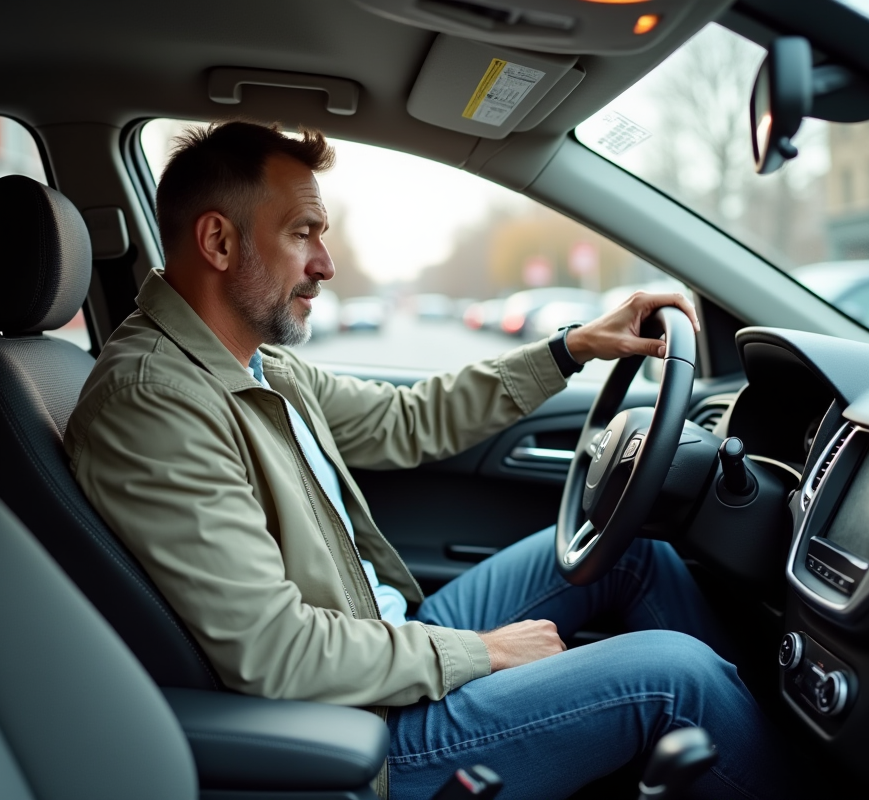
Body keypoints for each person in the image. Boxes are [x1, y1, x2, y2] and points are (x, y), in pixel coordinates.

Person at [64, 120, 785, 799]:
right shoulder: (155, 402)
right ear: (219, 242)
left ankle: (761, 733)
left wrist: (572, 349)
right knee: (676, 678)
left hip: (385, 637)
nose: (326, 263)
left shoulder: (255, 368)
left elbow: (410, 418)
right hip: (368, 725)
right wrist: (479, 651)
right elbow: (275, 652)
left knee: (633, 554)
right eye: (302, 233)